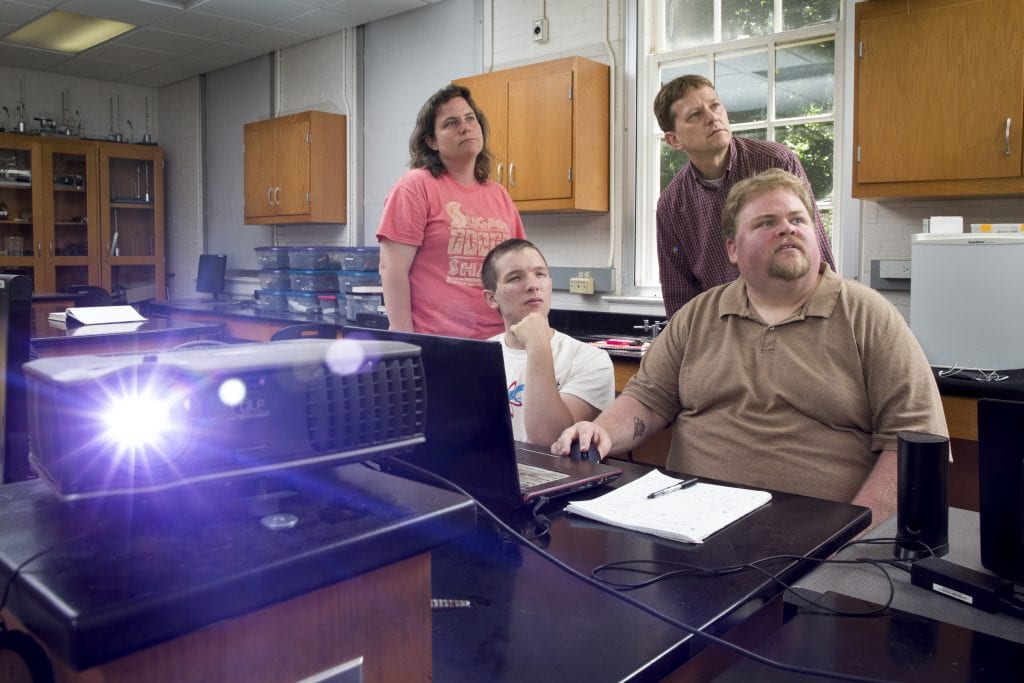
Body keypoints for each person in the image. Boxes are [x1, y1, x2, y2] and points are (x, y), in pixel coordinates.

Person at [553, 169, 947, 527]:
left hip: (817, 533)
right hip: (685, 521)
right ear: (732, 249)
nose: (787, 230)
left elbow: (913, 442)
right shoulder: (697, 316)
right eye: (766, 223)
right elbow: (648, 399)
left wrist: (852, 535)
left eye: (798, 219)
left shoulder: (869, 315)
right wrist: (600, 432)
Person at [654, 74, 836, 318]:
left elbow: (816, 248)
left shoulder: (775, 161)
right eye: (695, 114)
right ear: (674, 139)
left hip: (796, 316)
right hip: (724, 329)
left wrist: (831, 319)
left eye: (715, 105)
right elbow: (678, 295)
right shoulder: (671, 205)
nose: (712, 117)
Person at [377, 84, 526, 339]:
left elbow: (520, 269)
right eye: (451, 123)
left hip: (499, 343)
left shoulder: (499, 195)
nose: (465, 127)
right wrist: (405, 341)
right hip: (438, 344)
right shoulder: (416, 186)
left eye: (470, 119)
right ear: (431, 141)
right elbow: (392, 269)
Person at [481, 238, 615, 445]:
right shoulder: (480, 357)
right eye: (515, 278)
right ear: (491, 298)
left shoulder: (590, 360)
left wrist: (537, 343)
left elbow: (549, 442)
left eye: (540, 274)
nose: (533, 285)